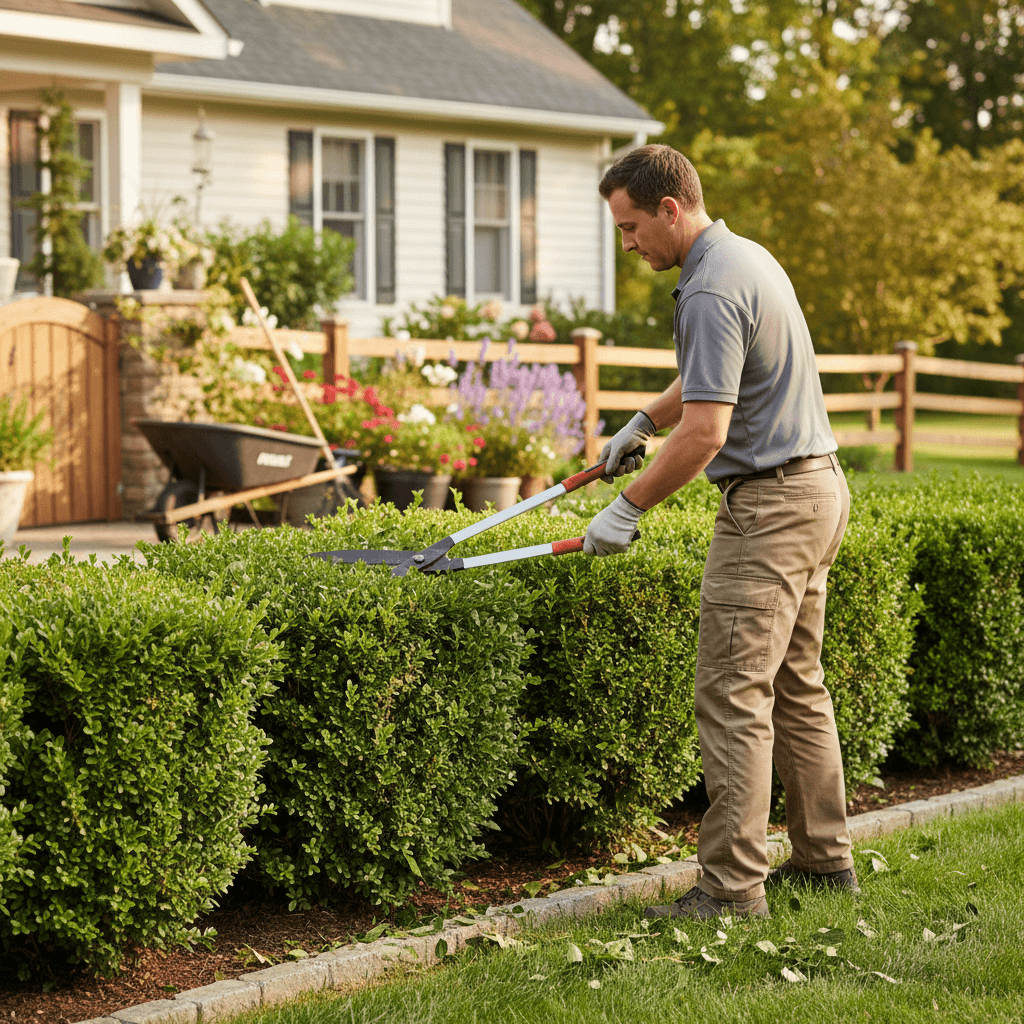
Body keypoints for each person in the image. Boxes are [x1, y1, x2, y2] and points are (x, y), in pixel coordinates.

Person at [583, 144, 857, 921]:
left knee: (733, 693)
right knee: (798, 684)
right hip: (818, 489)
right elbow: (709, 377)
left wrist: (629, 506)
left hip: (768, 507)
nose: (629, 246)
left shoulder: (706, 289)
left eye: (632, 228)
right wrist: (643, 419)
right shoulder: (745, 257)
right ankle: (825, 862)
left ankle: (732, 891)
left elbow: (707, 431)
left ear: (670, 210)